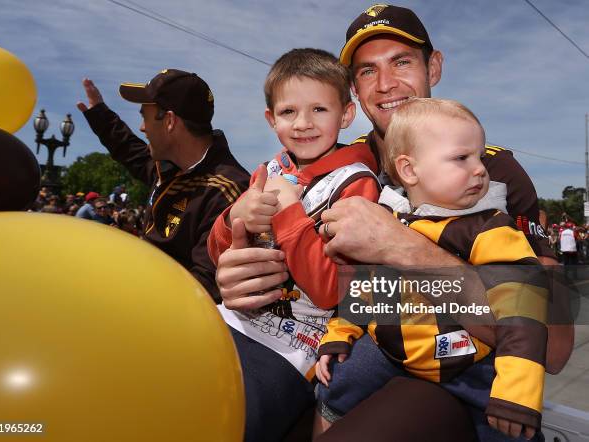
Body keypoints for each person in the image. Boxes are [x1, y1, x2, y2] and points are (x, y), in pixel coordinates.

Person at [214, 3, 573, 439]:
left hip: (452, 377)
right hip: (331, 357)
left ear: (433, 67)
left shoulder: (488, 173)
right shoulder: (336, 166)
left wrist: (403, 250)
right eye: (367, 71)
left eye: (402, 62)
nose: (386, 84)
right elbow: (318, 277)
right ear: (353, 90)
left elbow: (554, 346)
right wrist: (239, 271)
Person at [314, 98, 548, 441]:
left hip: (468, 364)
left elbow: (524, 312)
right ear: (409, 170)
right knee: (337, 380)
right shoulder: (389, 221)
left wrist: (517, 392)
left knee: (507, 426)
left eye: (479, 157)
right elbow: (368, 289)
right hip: (388, 350)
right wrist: (339, 335)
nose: (481, 168)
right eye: (461, 158)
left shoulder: (492, 229)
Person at [208, 48, 380, 442]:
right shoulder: (268, 171)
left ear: (346, 114)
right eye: (288, 112)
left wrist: (288, 214)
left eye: (319, 109)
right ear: (271, 119)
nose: (303, 124)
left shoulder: (357, 182)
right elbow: (220, 254)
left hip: (292, 347)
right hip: (227, 319)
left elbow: (329, 291)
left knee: (228, 422)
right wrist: (234, 219)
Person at [77, 70, 250, 302]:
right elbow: (131, 152)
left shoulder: (225, 192)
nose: (142, 127)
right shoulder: (172, 167)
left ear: (169, 121)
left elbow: (204, 288)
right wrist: (100, 114)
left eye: (144, 117)